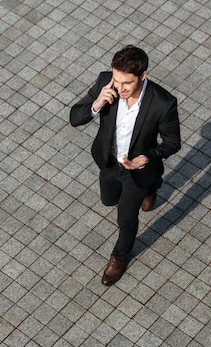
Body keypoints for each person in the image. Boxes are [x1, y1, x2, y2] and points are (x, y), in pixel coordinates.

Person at [70, 45, 181, 285]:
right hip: (109, 162)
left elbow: (173, 142)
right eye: (116, 80)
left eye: (127, 84)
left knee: (126, 218)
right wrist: (97, 103)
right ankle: (155, 184)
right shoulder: (105, 83)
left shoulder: (163, 102)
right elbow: (74, 118)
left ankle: (119, 257)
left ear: (143, 76)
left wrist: (148, 157)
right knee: (108, 200)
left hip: (138, 171)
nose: (119, 89)